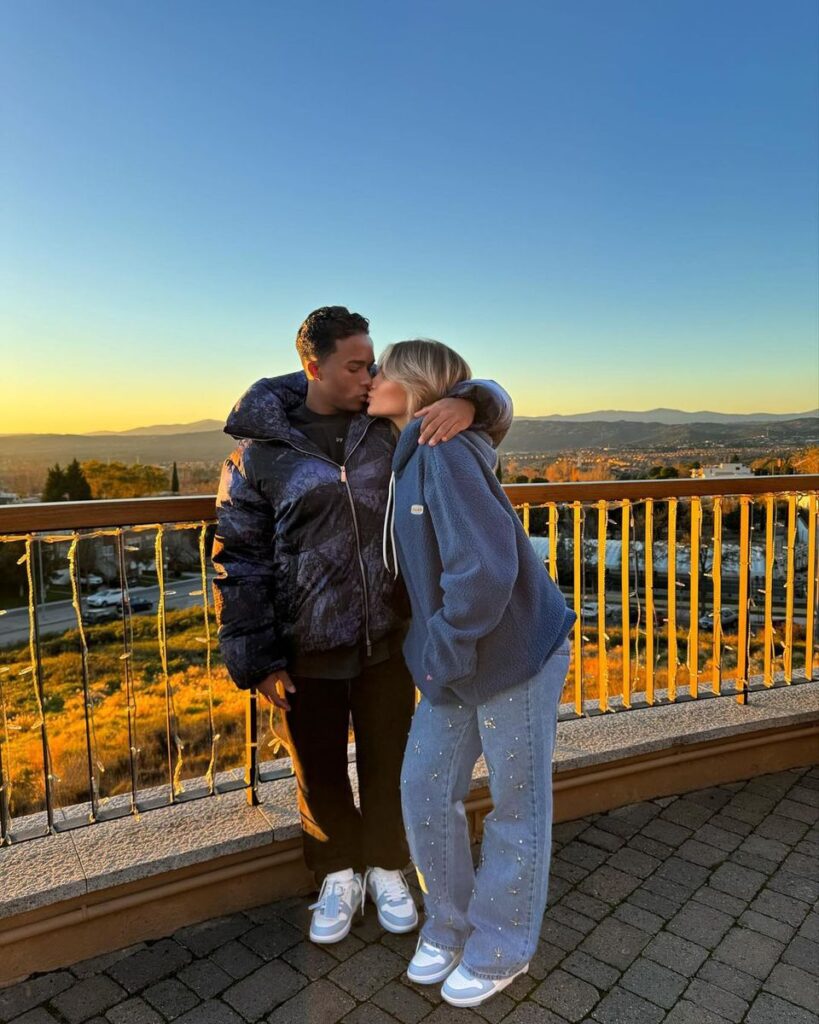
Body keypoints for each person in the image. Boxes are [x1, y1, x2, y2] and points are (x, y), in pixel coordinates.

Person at [212, 307, 512, 945]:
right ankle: (337, 873)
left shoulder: (385, 426)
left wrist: (473, 400)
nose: (370, 374)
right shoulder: (258, 455)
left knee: (391, 762)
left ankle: (386, 865)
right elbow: (238, 560)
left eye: (373, 362)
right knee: (317, 767)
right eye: (355, 365)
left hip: (390, 637)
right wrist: (258, 657)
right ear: (313, 367)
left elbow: (489, 410)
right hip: (304, 644)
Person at [367, 339, 575, 1007]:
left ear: (415, 385)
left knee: (517, 806)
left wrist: (444, 654)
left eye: (382, 371)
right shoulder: (408, 447)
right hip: (454, 660)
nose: (371, 379)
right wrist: (477, 396)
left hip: (512, 653)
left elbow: (484, 573)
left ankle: (500, 946)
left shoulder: (442, 451)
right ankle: (449, 924)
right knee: (424, 789)